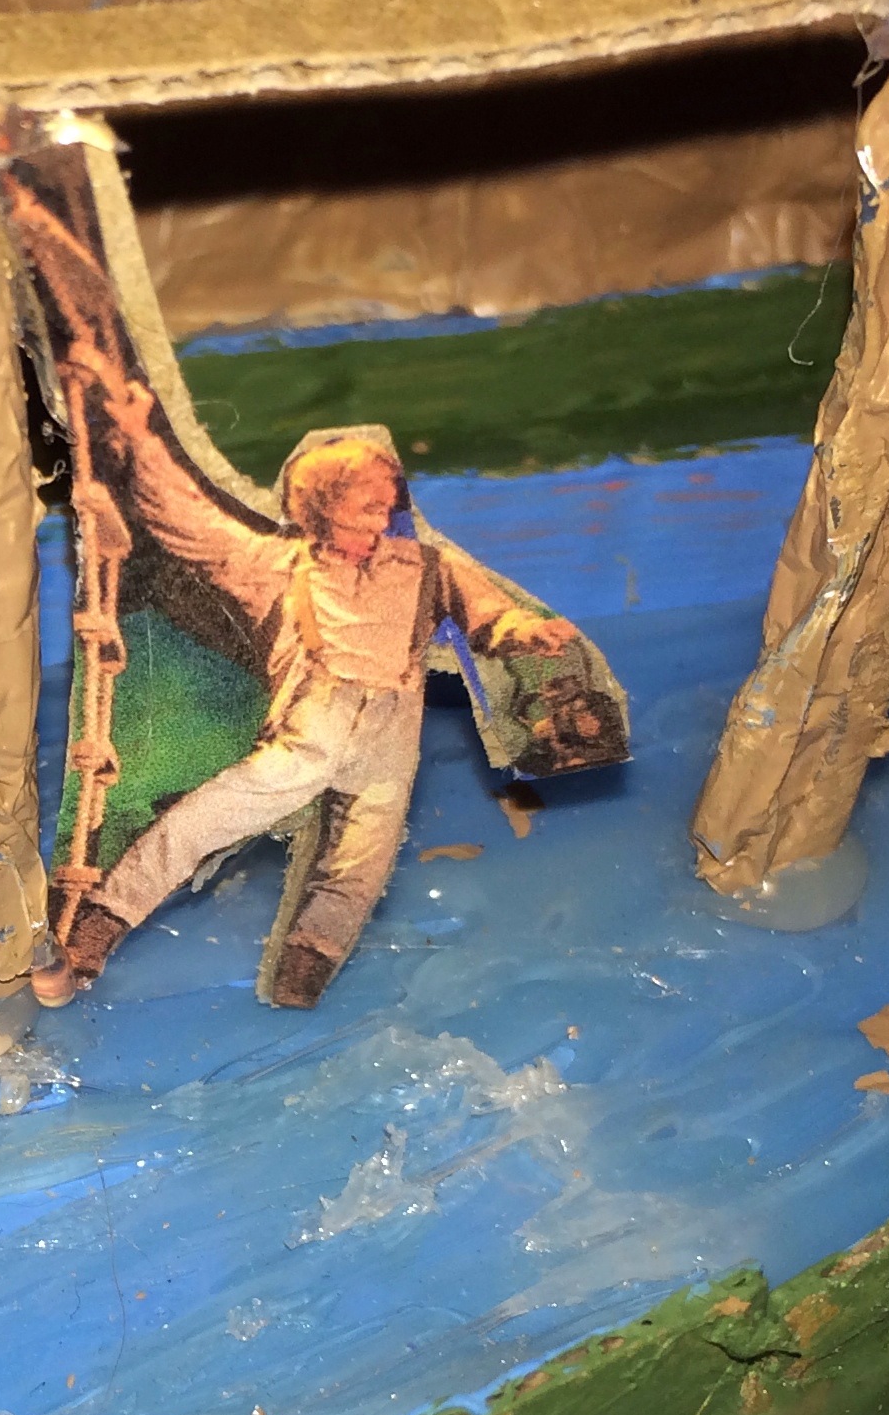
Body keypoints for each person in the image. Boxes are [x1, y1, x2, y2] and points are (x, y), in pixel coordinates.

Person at [36, 415, 606, 1009]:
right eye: (366, 509)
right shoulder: (279, 564)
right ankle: (102, 921)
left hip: (392, 731)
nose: (380, 522)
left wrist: (527, 632)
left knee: (361, 863)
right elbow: (191, 518)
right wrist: (133, 433)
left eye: (386, 508)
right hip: (315, 724)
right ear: (324, 509)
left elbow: (488, 616)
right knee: (203, 820)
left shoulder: (426, 567)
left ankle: (303, 976)